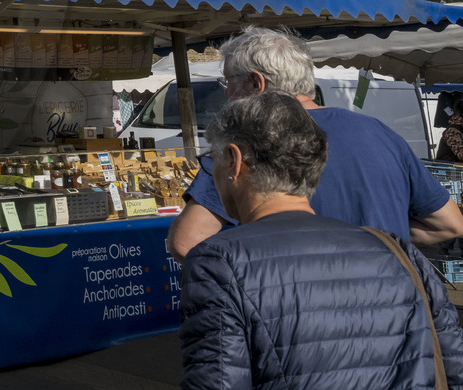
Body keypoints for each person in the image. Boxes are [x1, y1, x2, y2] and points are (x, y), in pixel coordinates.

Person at [180, 92, 463, 390]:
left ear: (235, 161)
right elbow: (455, 380)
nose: (214, 173)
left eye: (212, 161)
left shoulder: (220, 262)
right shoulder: (397, 250)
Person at [167, 26, 463, 260]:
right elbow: (448, 223)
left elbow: (187, 242)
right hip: (394, 312)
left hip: (298, 315)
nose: (227, 93)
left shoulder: (244, 141)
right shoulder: (379, 132)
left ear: (257, 84)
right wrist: (372, 240)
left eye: (228, 81)